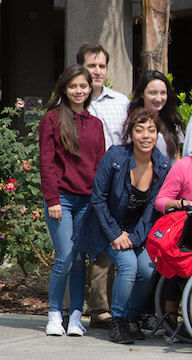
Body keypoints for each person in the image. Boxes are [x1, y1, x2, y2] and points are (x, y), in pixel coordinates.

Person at [74, 109, 171, 344]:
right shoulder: (116, 156)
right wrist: (115, 234)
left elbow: (151, 210)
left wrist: (134, 238)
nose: (145, 135)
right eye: (139, 130)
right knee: (128, 266)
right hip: (105, 227)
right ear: (131, 133)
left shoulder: (162, 164)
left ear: (158, 134)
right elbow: (97, 198)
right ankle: (118, 320)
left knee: (147, 270)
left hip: (137, 232)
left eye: (151, 130)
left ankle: (131, 316)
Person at [40, 65, 106, 337]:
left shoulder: (95, 124)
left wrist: (100, 202)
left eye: (83, 86)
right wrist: (52, 198)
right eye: (73, 86)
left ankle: (77, 316)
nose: (79, 91)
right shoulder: (52, 119)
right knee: (65, 257)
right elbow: (46, 163)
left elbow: (100, 165)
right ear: (64, 89)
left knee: (79, 258)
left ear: (90, 89)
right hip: (61, 200)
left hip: (87, 201)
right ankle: (55, 313)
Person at [77, 43, 130, 329]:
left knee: (108, 246)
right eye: (91, 65)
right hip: (81, 186)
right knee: (77, 250)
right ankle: (68, 309)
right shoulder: (70, 103)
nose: (97, 71)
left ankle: (101, 311)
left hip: (115, 185)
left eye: (101, 66)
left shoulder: (120, 102)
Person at [128, 70, 184, 161]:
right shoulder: (133, 122)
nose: (158, 98)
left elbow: (176, 158)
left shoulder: (173, 123)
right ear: (142, 94)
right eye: (153, 93)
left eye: (163, 93)